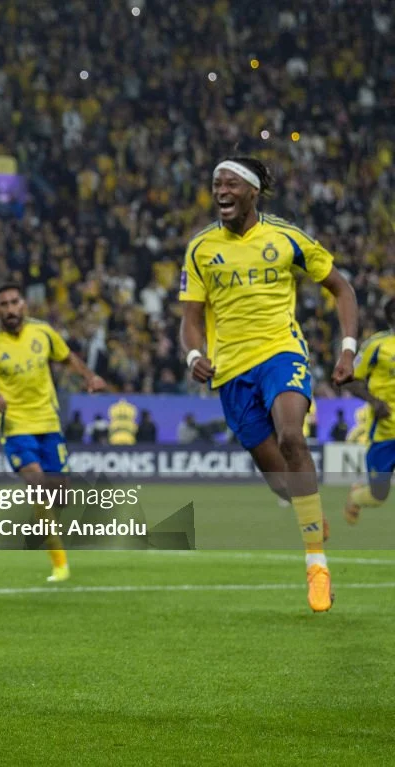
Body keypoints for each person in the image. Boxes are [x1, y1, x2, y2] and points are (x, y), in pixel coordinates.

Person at [179, 156, 358, 613]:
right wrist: (194, 354)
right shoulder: (200, 249)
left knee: (292, 436)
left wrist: (348, 348)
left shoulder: (285, 238)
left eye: (231, 183)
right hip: (231, 372)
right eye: (216, 182)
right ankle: (310, 512)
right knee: (283, 484)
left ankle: (316, 565)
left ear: (252, 191)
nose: (221, 189)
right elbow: (192, 320)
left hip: (281, 353)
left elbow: (342, 288)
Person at [0, 283, 106, 583]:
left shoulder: (43, 333)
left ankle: (46, 528)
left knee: (59, 496)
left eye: (14, 302)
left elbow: (66, 357)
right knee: (35, 481)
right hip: (15, 425)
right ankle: (60, 564)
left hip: (48, 421)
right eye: (3, 304)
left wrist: (89, 376)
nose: (9, 309)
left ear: (23, 305)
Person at [342, 298, 395, 525]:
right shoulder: (377, 345)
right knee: (377, 497)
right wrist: (374, 402)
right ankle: (356, 497)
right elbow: (349, 379)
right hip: (385, 432)